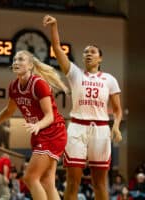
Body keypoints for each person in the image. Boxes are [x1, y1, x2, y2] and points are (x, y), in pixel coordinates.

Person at [43, 15, 123, 200]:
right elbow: (56, 49)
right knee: (72, 182)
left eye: (93, 51)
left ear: (100, 58)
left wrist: (117, 126)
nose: (88, 54)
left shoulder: (110, 79)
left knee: (99, 183)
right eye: (85, 52)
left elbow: (118, 110)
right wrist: (54, 26)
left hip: (101, 129)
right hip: (77, 127)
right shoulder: (75, 73)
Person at [0, 50, 68, 200]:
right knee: (47, 181)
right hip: (39, 134)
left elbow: (49, 116)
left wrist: (38, 125)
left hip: (52, 132)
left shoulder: (39, 84)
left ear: (30, 65)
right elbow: (8, 111)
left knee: (30, 178)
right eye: (15, 59)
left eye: (21, 59)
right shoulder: (14, 87)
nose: (16, 62)